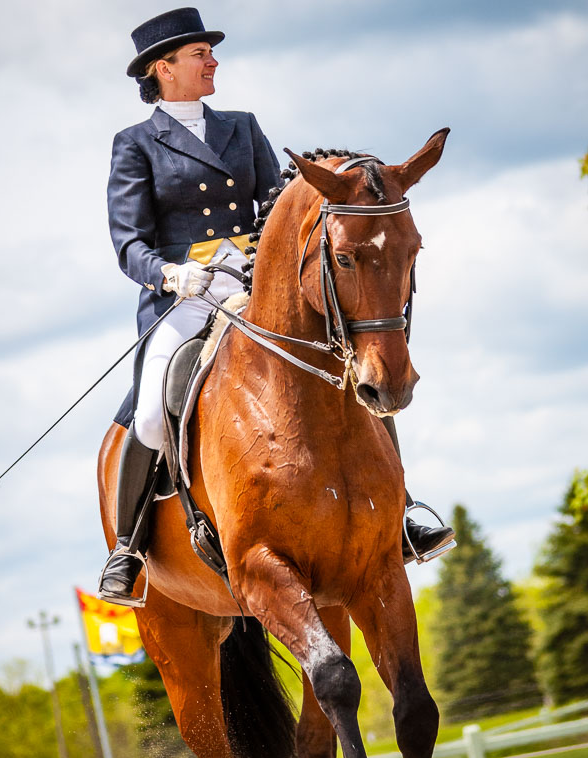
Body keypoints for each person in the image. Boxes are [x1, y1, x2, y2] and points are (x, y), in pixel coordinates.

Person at [98, 7, 454, 608]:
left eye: (211, 53)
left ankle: (400, 514)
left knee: (353, 371)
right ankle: (129, 547)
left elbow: (274, 200)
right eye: (199, 55)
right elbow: (128, 243)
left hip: (256, 285)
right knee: (156, 402)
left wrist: (264, 250)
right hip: (187, 296)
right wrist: (171, 272)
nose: (213, 61)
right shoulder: (135, 144)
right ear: (164, 68)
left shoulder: (242, 125)